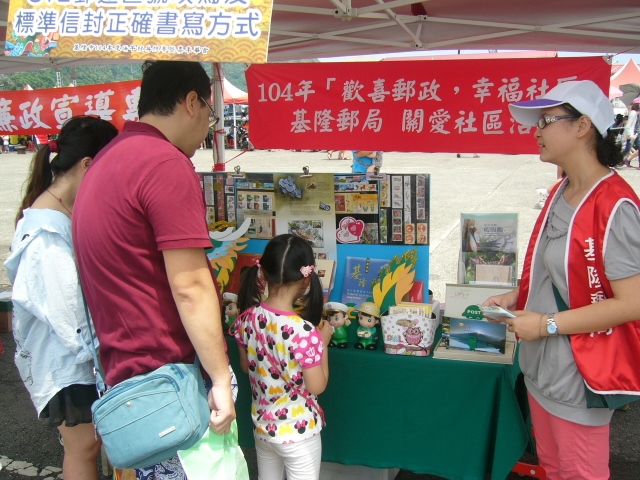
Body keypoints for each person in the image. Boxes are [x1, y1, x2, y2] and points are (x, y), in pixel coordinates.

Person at [72, 61, 236, 480]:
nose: (207, 129)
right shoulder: (164, 164)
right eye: (211, 115)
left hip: (128, 379)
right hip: (169, 384)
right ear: (192, 102)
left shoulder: (108, 160)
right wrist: (220, 378)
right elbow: (191, 287)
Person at [484, 80, 640, 479]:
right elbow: (560, 272)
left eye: (546, 120)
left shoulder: (615, 206)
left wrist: (544, 324)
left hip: (580, 375)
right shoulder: (561, 190)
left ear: (583, 125)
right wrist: (517, 295)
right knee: (554, 468)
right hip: (543, 369)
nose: (535, 130)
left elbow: (632, 303)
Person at [4, 116, 119, 480]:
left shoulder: (61, 212)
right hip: (68, 361)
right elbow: (67, 314)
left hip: (75, 356)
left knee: (89, 445)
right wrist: (107, 354)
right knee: (83, 448)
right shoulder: (46, 233)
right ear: (87, 165)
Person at [232, 234, 332, 480]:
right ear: (306, 278)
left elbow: (246, 367)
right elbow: (317, 385)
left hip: (263, 428)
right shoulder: (306, 332)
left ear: (263, 273)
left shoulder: (245, 319)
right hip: (299, 433)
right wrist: (323, 344)